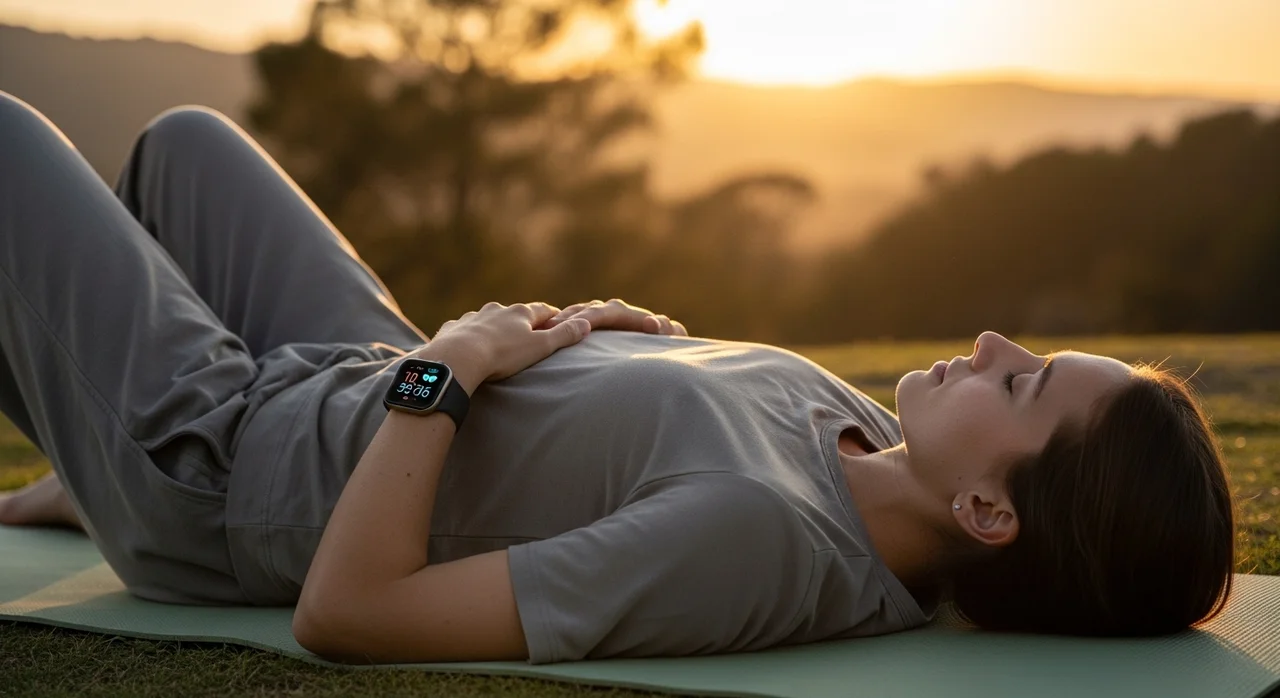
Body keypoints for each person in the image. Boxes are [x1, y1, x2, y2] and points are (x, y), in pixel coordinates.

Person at [0, 90, 1236, 666]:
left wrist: (452, 370)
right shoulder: (875, 441)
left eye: (1019, 387)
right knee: (184, 143)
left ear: (988, 512)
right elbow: (647, 435)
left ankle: (123, 467)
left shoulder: (753, 544)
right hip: (353, 373)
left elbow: (351, 611)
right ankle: (86, 465)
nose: (991, 346)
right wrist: (629, 342)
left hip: (234, 470)